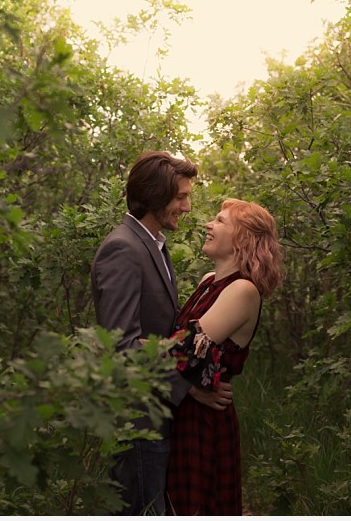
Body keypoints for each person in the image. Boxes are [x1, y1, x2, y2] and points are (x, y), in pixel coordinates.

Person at [91, 151, 232, 515]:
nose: (187, 206)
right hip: (138, 420)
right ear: (155, 196)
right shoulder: (123, 248)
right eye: (181, 196)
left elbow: (158, 336)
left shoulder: (153, 245)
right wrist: (189, 389)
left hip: (157, 418)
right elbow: (122, 347)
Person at [166, 198, 283, 515]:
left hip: (204, 421)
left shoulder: (243, 290)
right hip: (186, 406)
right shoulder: (208, 281)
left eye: (219, 221)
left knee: (195, 506)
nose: (208, 224)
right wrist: (189, 387)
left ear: (243, 238)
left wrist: (136, 343)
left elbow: (185, 350)